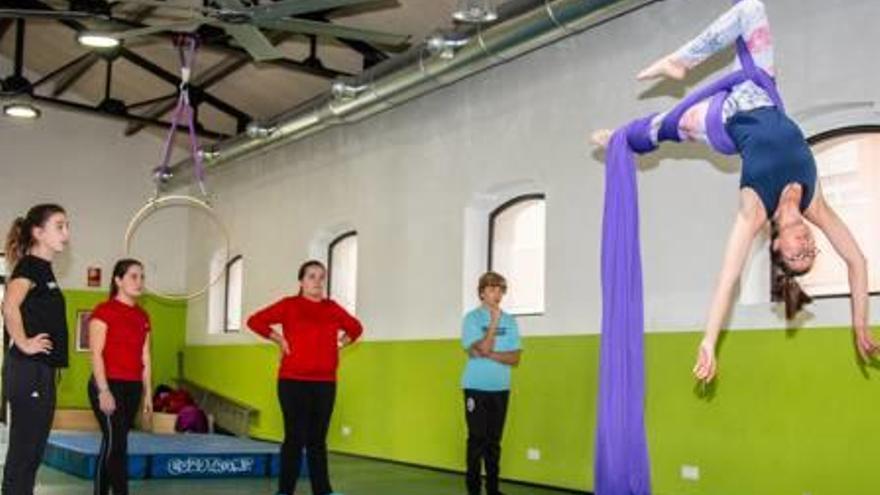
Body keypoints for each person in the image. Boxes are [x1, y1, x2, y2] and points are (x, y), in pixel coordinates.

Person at [591, 0, 878, 382]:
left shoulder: (754, 210)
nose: (805, 248)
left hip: (721, 121)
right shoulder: (816, 202)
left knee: (665, 127)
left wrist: (709, 341)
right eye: (811, 252)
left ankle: (620, 139)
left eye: (797, 258)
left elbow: (727, 279)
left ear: (777, 249)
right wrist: (860, 323)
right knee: (751, 8)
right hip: (760, 89)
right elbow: (858, 262)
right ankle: (680, 63)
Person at [247, 260, 363, 495]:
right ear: (301, 281)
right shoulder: (289, 305)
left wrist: (339, 344)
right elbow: (255, 321)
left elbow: (356, 328)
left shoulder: (332, 308)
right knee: (295, 437)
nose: (317, 282)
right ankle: (285, 491)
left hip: (325, 383)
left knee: (317, 440)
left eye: (321, 277)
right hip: (293, 381)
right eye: (312, 276)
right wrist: (278, 339)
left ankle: (323, 491)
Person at [2, 204, 70, 495]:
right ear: (38, 232)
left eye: (67, 226)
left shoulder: (44, 269)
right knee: (23, 453)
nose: (66, 233)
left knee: (33, 454)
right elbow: (9, 305)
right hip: (28, 369)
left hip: (42, 371)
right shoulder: (30, 266)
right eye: (60, 226)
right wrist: (25, 343)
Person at [87, 259, 153, 495]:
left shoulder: (143, 316)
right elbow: (95, 354)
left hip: (133, 386)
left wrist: (148, 395)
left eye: (142, 277)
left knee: (112, 443)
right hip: (107, 383)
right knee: (118, 445)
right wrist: (103, 390)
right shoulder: (103, 311)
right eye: (134, 276)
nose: (139, 282)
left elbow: (145, 357)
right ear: (118, 280)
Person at [461, 271, 522, 495]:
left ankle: (493, 490)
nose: (497, 294)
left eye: (500, 289)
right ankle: (474, 490)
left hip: (500, 389)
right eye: (492, 289)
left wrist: (489, 354)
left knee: (494, 442)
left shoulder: (511, 321)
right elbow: (482, 348)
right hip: (475, 388)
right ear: (482, 293)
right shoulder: (472, 319)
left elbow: (515, 358)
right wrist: (494, 322)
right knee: (477, 439)